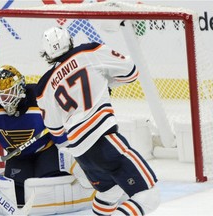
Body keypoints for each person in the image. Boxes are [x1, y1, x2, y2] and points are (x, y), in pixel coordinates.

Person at [36, 26, 160, 215]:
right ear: (70, 41)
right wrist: (104, 81)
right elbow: (131, 72)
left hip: (79, 150)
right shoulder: (89, 51)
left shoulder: (44, 86)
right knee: (149, 195)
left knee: (110, 192)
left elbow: (56, 130)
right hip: (103, 139)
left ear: (47, 53)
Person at [0, 65, 95, 215]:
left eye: (10, 93)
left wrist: (80, 160)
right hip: (16, 156)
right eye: (1, 95)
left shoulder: (40, 99)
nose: (5, 99)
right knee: (18, 194)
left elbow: (62, 136)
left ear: (21, 88)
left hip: (46, 150)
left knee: (51, 183)